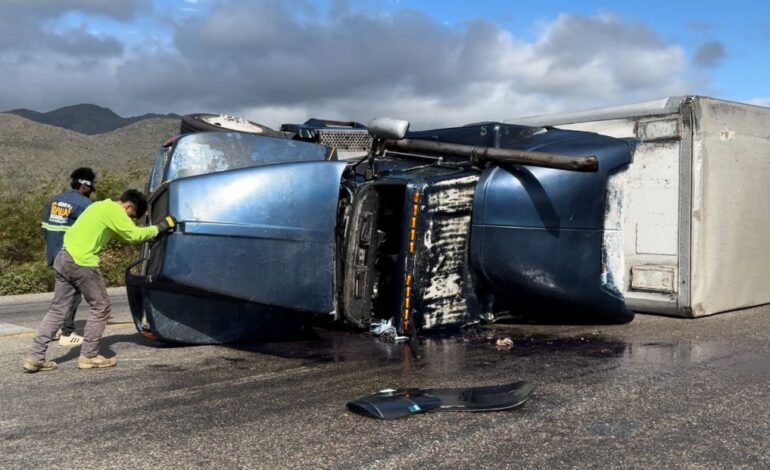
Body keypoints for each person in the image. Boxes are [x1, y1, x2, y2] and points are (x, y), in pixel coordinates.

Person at [23, 189, 176, 372]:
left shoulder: (99, 206)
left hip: (64, 257)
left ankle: (35, 357)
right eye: (132, 216)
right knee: (101, 307)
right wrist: (161, 227)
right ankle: (89, 356)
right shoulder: (115, 212)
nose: (129, 219)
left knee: (57, 309)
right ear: (128, 207)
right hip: (82, 263)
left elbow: (125, 236)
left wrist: (149, 236)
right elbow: (134, 234)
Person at [41, 167, 96, 347]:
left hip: (53, 252)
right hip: (71, 255)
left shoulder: (55, 200)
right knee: (73, 294)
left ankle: (54, 329)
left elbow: (45, 228)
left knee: (61, 295)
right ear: (85, 186)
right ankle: (67, 332)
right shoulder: (85, 205)